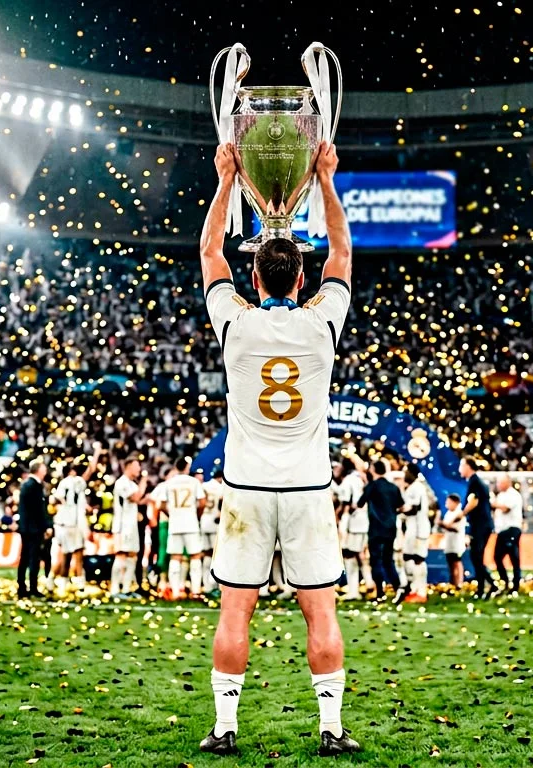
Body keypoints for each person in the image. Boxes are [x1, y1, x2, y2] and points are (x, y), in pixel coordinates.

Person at [199, 141, 359, 756]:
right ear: (300, 277)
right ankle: (330, 729)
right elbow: (341, 252)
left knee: (235, 612)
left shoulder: (236, 324)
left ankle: (225, 727)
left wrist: (226, 177)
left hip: (244, 486)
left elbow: (211, 251)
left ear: (254, 275)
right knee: (320, 613)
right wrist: (324, 178)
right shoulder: (322, 323)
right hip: (308, 488)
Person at [150, 457, 206, 600]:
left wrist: (172, 514)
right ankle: (195, 591)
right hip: (191, 523)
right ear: (187, 467)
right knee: (195, 556)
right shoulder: (194, 482)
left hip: (175, 525)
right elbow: (202, 501)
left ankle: (175, 592)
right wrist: (196, 514)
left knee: (175, 557)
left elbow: (160, 505)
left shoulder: (169, 483)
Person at [356, 460, 403, 600]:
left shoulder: (372, 486)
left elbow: (360, 503)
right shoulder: (393, 487)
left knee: (375, 560)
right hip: (390, 527)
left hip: (376, 528)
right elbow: (400, 505)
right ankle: (397, 587)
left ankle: (380, 592)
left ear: (373, 469)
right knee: (388, 559)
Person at [50, 455, 97, 594]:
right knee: (77, 554)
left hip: (63, 524)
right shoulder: (76, 482)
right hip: (73, 524)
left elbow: (56, 499)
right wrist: (97, 452)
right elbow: (91, 470)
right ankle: (78, 583)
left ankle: (55, 580)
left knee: (65, 554)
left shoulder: (63, 483)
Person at [109, 456, 148, 598]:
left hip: (131, 525)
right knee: (121, 555)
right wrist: (144, 481)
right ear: (128, 466)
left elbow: (135, 502)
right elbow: (135, 498)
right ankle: (114, 589)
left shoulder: (132, 484)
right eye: (137, 466)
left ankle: (126, 588)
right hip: (122, 525)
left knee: (132, 555)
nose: (139, 470)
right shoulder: (122, 483)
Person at [458, 458, 497, 598]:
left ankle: (488, 586)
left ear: (469, 466)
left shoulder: (474, 482)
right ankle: (486, 587)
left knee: (476, 556)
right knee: (476, 557)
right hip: (482, 525)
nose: (459, 469)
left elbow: (474, 501)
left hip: (480, 525)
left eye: (461, 466)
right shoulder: (477, 482)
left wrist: (461, 514)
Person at [16, 459, 52, 599]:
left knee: (24, 558)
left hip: (26, 527)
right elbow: (39, 510)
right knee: (33, 559)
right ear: (38, 470)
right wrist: (46, 526)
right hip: (33, 529)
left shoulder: (26, 485)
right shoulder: (34, 486)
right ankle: (32, 588)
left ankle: (22, 586)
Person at [334, 458, 369, 600]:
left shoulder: (348, 481)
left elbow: (346, 502)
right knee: (358, 554)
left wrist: (338, 517)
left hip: (352, 521)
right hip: (363, 520)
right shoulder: (359, 479)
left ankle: (354, 590)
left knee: (349, 554)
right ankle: (365, 583)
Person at [399, 466, 432, 604]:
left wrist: (400, 510)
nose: (404, 474)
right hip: (412, 528)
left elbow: (414, 508)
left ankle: (421, 591)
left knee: (419, 558)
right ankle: (413, 588)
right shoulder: (412, 487)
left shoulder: (417, 487)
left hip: (419, 528)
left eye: (406, 471)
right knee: (408, 557)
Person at [491, 473, 525, 595]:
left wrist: (492, 503)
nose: (498, 485)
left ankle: (514, 584)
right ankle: (507, 582)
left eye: (500, 482)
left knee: (512, 557)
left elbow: (505, 508)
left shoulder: (513, 495)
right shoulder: (500, 495)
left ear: (508, 482)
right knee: (498, 557)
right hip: (502, 530)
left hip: (511, 529)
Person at [438, 493, 467, 588]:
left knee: (457, 562)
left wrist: (444, 525)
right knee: (450, 563)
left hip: (457, 543)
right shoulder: (448, 513)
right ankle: (453, 582)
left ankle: (459, 582)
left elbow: (455, 528)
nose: (447, 504)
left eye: (449, 502)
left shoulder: (459, 514)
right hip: (449, 543)